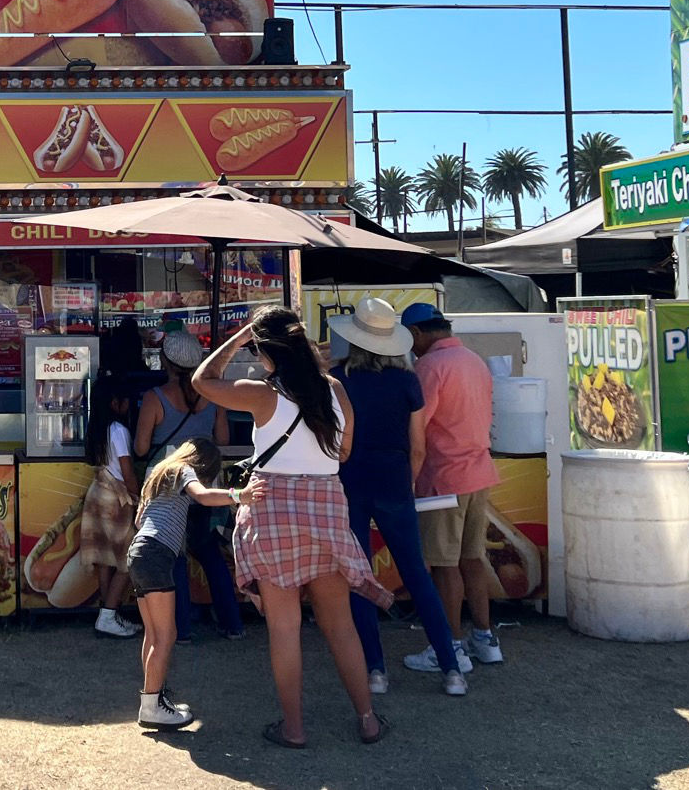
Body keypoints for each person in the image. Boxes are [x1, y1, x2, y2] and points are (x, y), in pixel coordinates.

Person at [195, 307, 392, 750]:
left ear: (266, 352)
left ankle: (294, 728)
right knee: (339, 624)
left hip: (272, 508)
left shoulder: (262, 394)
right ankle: (367, 719)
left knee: (284, 627)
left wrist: (236, 339)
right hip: (325, 504)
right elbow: (343, 455)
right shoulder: (335, 390)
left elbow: (202, 382)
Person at [329, 299, 468, 697]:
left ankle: (375, 670)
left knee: (358, 577)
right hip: (394, 479)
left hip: (350, 479)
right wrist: (404, 485)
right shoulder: (408, 381)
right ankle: (451, 669)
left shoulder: (338, 379)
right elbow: (418, 448)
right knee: (418, 576)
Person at [127, 437, 261, 729]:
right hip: (158, 553)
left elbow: (139, 520)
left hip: (139, 552)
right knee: (167, 634)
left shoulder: (157, 474)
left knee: (153, 634)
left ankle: (154, 698)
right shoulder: (184, 470)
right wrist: (240, 495)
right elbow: (202, 495)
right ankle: (152, 706)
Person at [400, 303, 500, 674]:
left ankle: (450, 646)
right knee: (473, 559)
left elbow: (416, 430)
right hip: (479, 472)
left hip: (444, 477)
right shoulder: (474, 360)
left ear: (417, 334)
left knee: (444, 566)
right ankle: (486, 639)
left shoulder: (429, 367)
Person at [134, 330, 243, 643]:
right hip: (205, 480)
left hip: (167, 484)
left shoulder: (155, 397)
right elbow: (222, 440)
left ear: (165, 361)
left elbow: (141, 448)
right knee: (208, 550)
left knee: (174, 555)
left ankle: (181, 628)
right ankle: (232, 623)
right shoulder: (213, 395)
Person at [80, 371, 142, 639]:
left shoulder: (98, 429)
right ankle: (108, 616)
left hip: (98, 494)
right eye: (126, 399)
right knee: (129, 560)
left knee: (105, 560)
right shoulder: (119, 431)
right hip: (116, 499)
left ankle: (108, 614)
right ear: (115, 403)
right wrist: (140, 499)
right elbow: (128, 473)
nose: (129, 404)